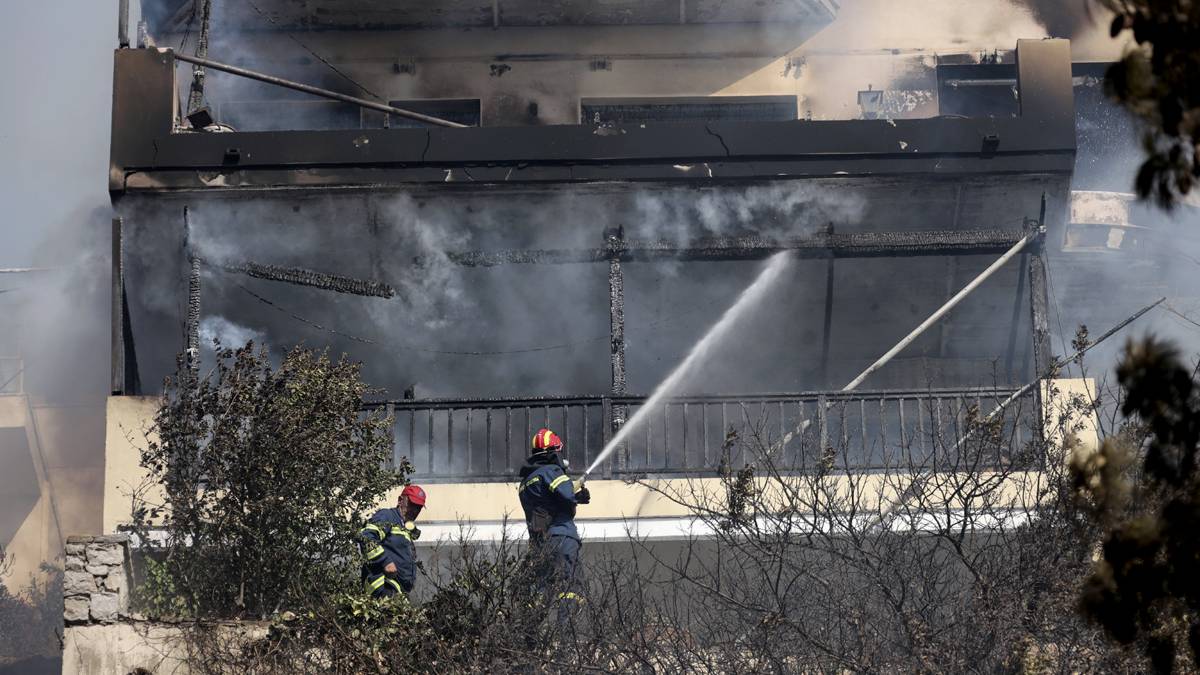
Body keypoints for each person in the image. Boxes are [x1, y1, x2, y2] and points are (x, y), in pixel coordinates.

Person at [517, 428, 590, 616]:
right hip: (561, 536)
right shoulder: (552, 471)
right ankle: (567, 639)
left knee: (543, 591)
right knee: (570, 586)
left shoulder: (527, 481)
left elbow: (547, 501)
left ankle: (528, 637)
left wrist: (575, 495)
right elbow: (565, 494)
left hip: (540, 544)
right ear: (552, 452)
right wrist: (575, 491)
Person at [359, 484, 426, 598]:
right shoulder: (387, 516)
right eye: (412, 505)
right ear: (400, 500)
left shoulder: (402, 525)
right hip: (383, 588)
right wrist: (386, 562)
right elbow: (366, 537)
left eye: (418, 507)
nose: (414, 510)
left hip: (397, 591)